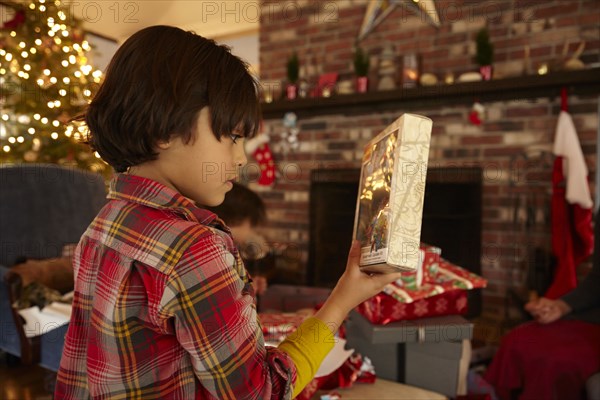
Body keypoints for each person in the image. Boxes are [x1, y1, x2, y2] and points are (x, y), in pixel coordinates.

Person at [54, 26, 403, 399]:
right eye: (233, 137)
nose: (241, 159)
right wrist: (341, 301)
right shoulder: (194, 248)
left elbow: (78, 370)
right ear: (163, 129)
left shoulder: (102, 224)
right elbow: (261, 393)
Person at [484, 213, 600, 399]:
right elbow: (598, 278)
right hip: (592, 317)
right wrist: (562, 305)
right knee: (517, 340)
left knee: (555, 362)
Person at [206, 182, 270, 296]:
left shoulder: (226, 246)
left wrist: (247, 285)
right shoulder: (214, 249)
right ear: (235, 220)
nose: (253, 230)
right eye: (252, 224)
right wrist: (245, 289)